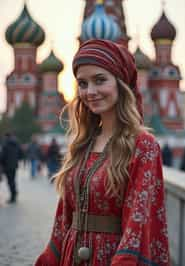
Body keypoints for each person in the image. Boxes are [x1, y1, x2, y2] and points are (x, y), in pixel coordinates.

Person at [35, 39, 170, 266]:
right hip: (72, 255)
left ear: (121, 83)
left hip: (111, 257)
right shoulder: (82, 144)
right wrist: (50, 258)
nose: (90, 92)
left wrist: (124, 260)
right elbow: (63, 216)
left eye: (100, 80)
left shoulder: (143, 145)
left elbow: (138, 220)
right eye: (83, 83)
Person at [0, 132, 22, 203]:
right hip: (14, 165)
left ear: (6, 136)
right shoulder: (17, 143)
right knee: (13, 180)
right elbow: (21, 153)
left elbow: (3, 155)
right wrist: (16, 160)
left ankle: (13, 196)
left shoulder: (5, 144)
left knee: (10, 181)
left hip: (7, 165)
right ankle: (14, 193)